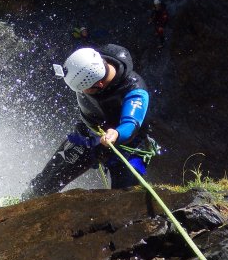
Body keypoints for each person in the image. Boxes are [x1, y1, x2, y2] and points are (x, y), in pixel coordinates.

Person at [23, 44, 156, 199]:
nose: (81, 93)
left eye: (84, 89)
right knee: (46, 181)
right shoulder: (94, 59)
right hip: (89, 134)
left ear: (99, 84)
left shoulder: (135, 90)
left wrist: (116, 133)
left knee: (124, 196)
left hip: (127, 146)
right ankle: (25, 199)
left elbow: (131, 123)